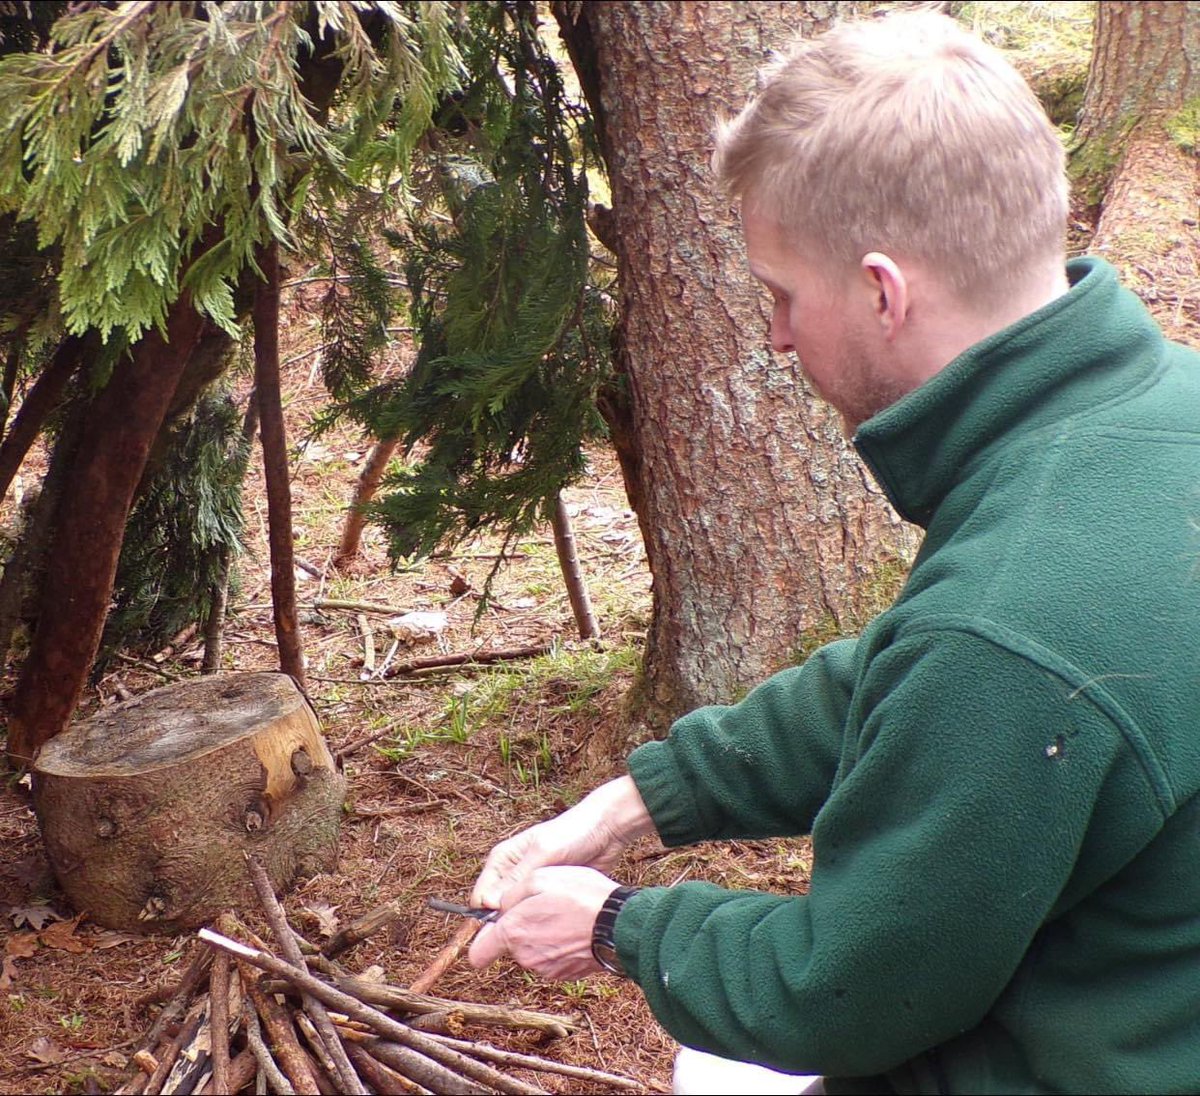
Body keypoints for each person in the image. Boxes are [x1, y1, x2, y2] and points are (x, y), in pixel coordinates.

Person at [467, 10, 1200, 1094]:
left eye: (780, 294)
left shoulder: (1007, 632)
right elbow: (910, 671)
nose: (773, 336)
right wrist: (638, 803)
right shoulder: (1154, 414)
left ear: (881, 291)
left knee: (721, 1072)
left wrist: (618, 929)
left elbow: (845, 992)